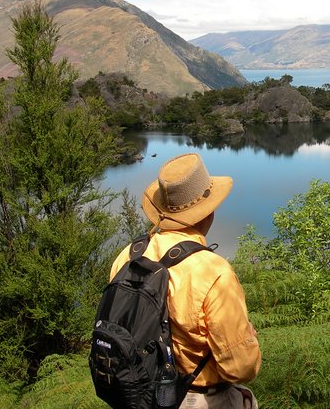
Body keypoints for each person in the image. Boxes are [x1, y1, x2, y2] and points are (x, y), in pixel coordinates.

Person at [109, 153, 262, 409]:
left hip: (138, 392)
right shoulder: (213, 272)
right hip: (198, 398)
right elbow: (240, 368)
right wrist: (247, 339)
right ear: (208, 212)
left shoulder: (127, 256)